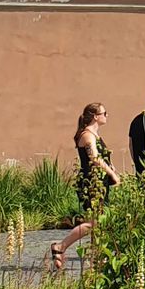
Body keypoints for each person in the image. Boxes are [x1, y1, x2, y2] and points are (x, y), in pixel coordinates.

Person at [51, 102, 119, 272]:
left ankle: (98, 258)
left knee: (100, 222)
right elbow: (95, 158)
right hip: (91, 184)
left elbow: (103, 156)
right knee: (94, 222)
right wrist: (112, 174)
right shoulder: (87, 136)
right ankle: (61, 246)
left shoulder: (94, 134)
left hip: (100, 184)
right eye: (104, 113)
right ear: (96, 116)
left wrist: (112, 167)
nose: (107, 116)